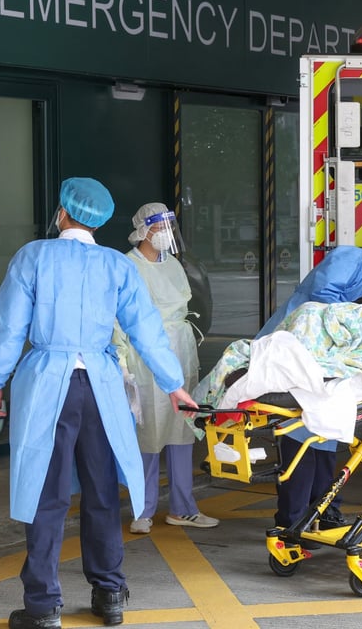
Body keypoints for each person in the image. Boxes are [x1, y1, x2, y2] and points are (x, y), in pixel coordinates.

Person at [0, 178, 198, 629]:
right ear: (100, 221)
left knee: (48, 492)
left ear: (62, 211)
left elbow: (8, 327)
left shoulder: (33, 257)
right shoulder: (117, 267)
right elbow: (146, 330)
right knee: (102, 490)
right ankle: (110, 593)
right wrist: (174, 385)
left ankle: (42, 607)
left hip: (45, 385)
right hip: (101, 385)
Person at [257, 247, 362, 535]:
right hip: (298, 341)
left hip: (323, 359)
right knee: (299, 434)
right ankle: (292, 521)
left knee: (324, 437)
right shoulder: (352, 257)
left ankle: (324, 510)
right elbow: (322, 295)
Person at [114, 203, 218, 535]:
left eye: (169, 227)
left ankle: (183, 508)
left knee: (181, 429)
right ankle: (142, 510)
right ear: (143, 229)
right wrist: (122, 362)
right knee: (148, 430)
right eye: (159, 228)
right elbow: (118, 318)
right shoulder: (127, 266)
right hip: (143, 357)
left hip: (180, 350)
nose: (166, 234)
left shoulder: (173, 264)